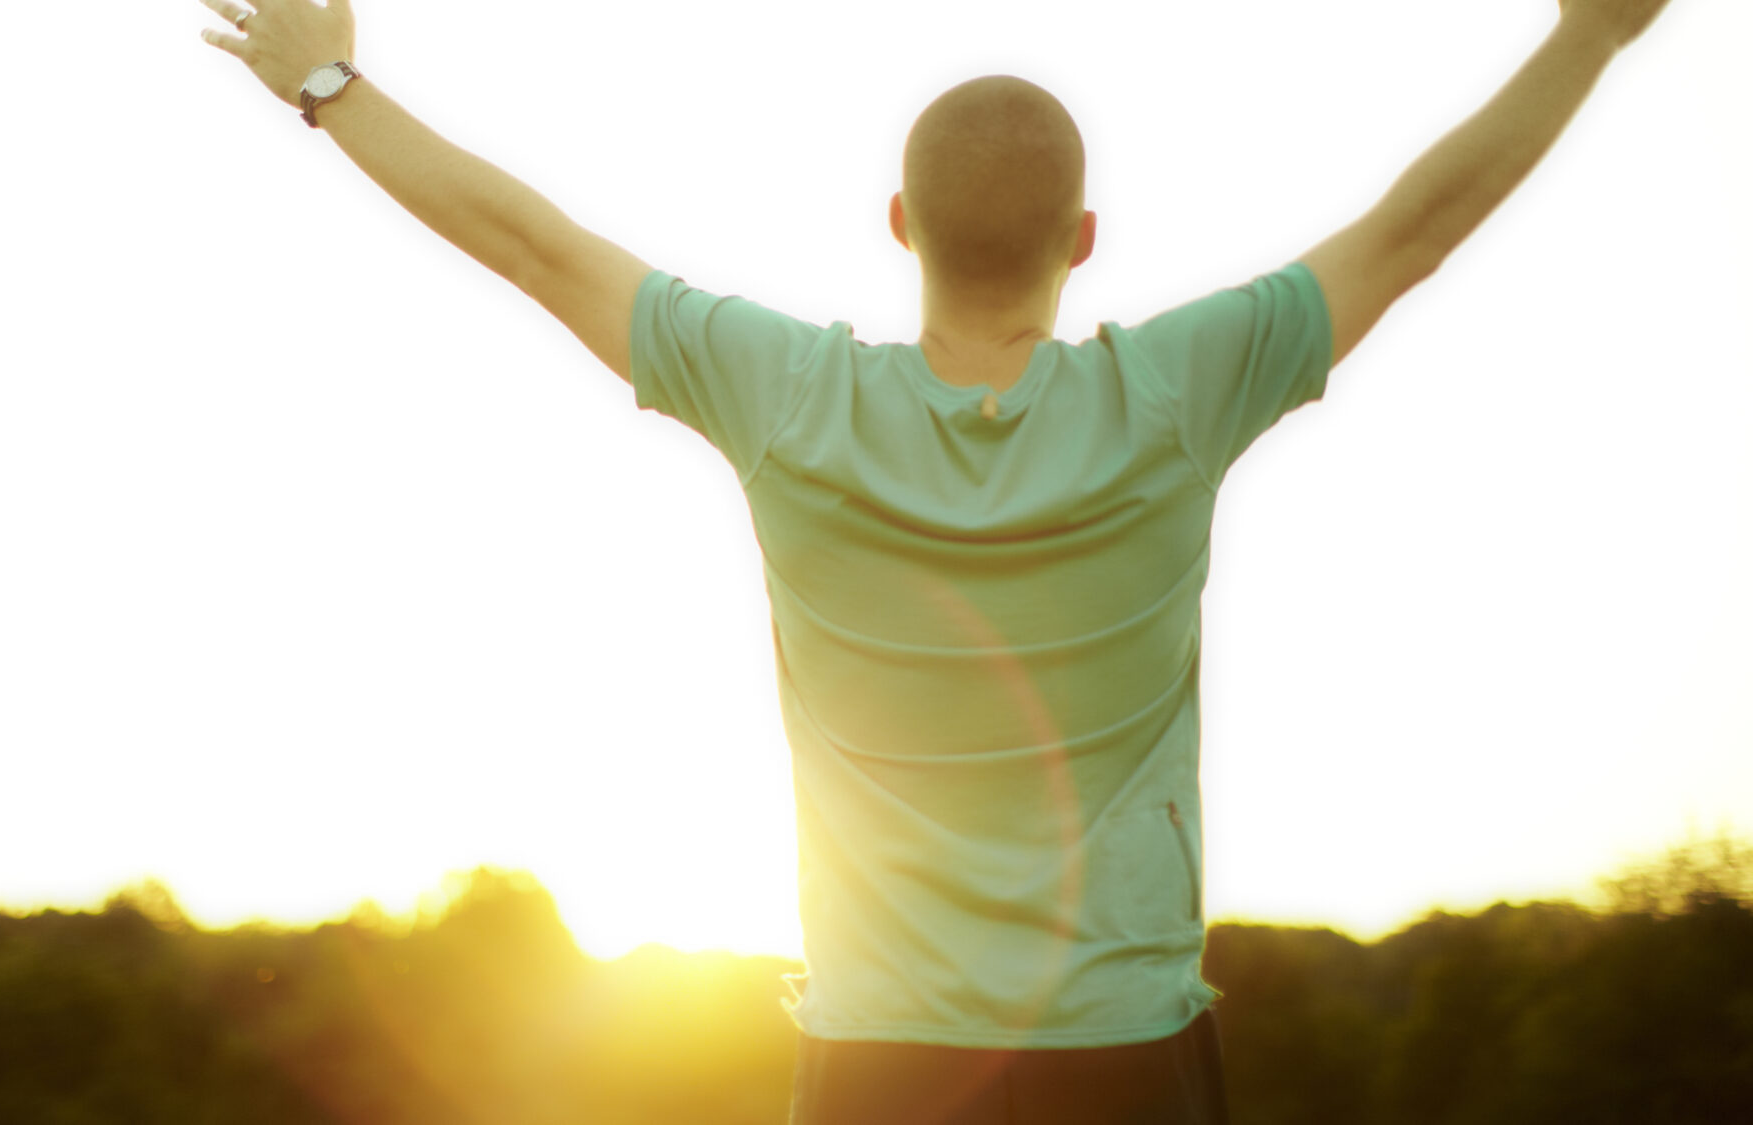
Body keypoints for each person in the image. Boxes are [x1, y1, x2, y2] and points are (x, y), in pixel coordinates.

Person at [196, 0, 1679, 1120]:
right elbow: (1415, 230)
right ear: (1083, 237)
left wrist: (332, 89)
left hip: (878, 1065)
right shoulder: (1179, 394)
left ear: (901, 225)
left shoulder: (786, 398)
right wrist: (1590, 36)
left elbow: (532, 245)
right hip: (1129, 1052)